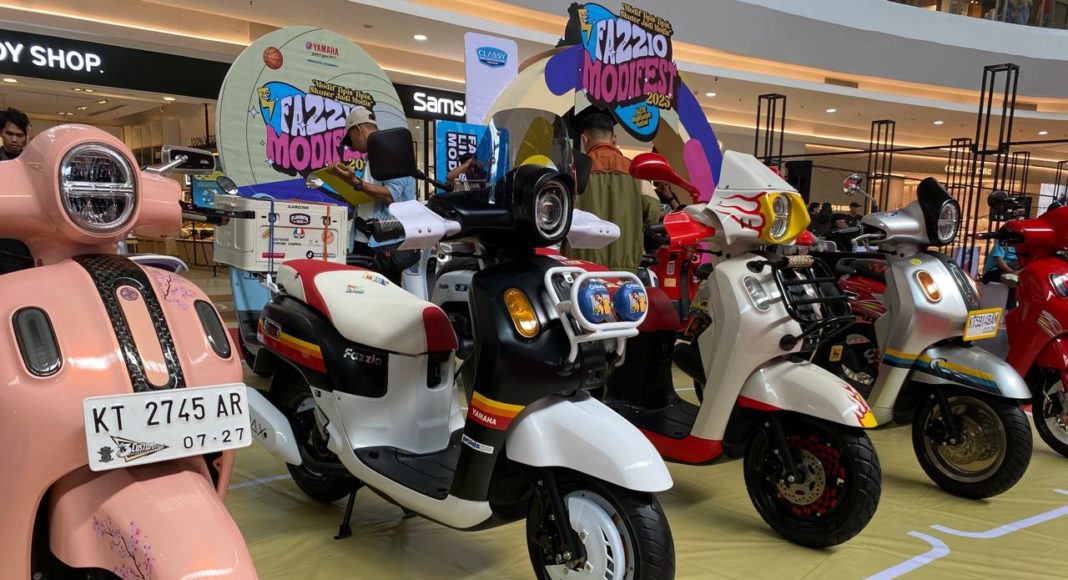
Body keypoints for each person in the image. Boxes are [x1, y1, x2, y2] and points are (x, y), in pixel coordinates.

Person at [562, 108, 661, 272]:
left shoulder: (573, 170)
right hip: (625, 272)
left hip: (581, 270)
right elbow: (653, 213)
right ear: (614, 139)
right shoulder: (635, 171)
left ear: (585, 139)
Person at [328, 108, 417, 283]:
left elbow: (392, 196)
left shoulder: (390, 151)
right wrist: (347, 182)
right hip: (364, 240)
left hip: (383, 244)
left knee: (384, 293)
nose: (352, 146)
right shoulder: (373, 157)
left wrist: (356, 183)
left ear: (358, 130)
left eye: (351, 138)